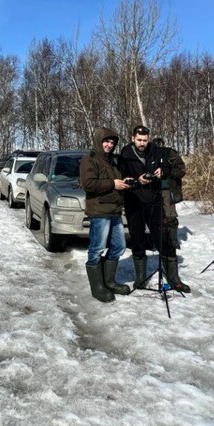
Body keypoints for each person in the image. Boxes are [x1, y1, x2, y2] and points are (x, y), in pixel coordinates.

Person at [118, 124, 191, 293]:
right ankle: (140, 279)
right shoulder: (125, 154)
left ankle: (174, 279)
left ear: (148, 139)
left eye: (144, 140)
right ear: (133, 139)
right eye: (139, 140)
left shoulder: (157, 151)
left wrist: (162, 171)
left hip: (155, 202)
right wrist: (137, 180)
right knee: (137, 241)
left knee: (164, 238)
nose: (142, 143)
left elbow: (172, 168)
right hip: (134, 202)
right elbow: (121, 177)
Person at [79, 127, 132, 302]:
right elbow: (88, 184)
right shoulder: (90, 160)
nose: (109, 145)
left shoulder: (111, 161)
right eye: (106, 142)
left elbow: (115, 182)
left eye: (112, 142)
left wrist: (125, 183)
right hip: (99, 211)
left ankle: (109, 281)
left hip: (114, 211)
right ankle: (97, 287)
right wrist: (112, 184)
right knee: (97, 249)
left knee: (119, 246)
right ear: (99, 141)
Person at [153, 135, 187, 255]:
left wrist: (168, 172)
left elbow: (181, 171)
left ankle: (173, 240)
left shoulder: (172, 154)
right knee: (155, 218)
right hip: (152, 191)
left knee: (170, 217)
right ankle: (157, 240)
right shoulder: (148, 154)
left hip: (167, 190)